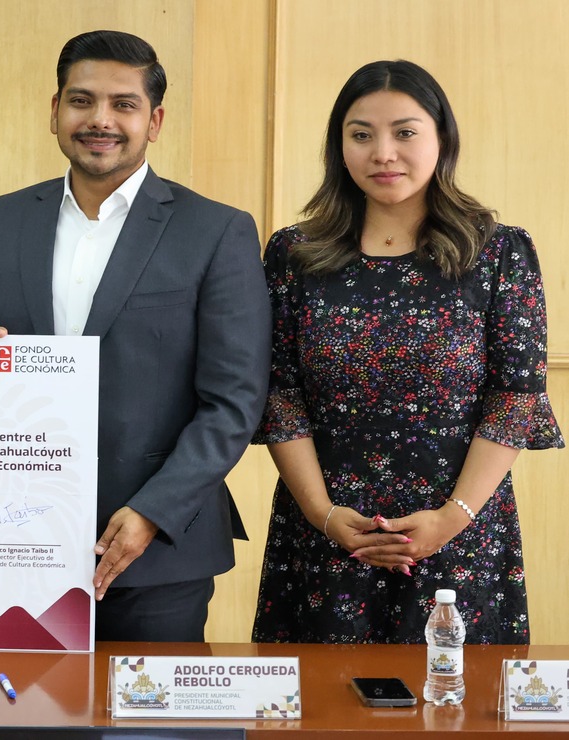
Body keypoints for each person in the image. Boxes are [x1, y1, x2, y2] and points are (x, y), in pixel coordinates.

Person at [0, 30, 270, 642]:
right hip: (9, 539)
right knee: (17, 720)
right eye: (81, 100)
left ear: (155, 120)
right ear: (55, 111)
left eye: (124, 104)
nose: (100, 120)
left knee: (145, 734)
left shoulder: (215, 230)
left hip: (157, 549)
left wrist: (153, 510)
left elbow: (235, 402)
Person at [252, 60, 564, 644]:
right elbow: (279, 394)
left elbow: (516, 397)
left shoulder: (497, 252)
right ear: (339, 146)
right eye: (361, 134)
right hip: (328, 532)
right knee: (317, 720)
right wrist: (325, 515)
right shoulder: (295, 254)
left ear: (442, 138)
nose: (383, 153)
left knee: (454, 716)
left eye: (405, 132)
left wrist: (451, 519)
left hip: (460, 530)